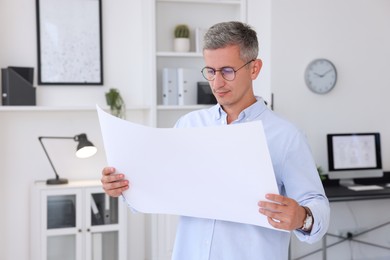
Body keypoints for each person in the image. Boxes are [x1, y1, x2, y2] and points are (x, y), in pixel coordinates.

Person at [101, 21, 330, 259]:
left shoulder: (286, 136)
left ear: (254, 68)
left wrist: (303, 217)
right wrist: (124, 186)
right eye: (210, 71)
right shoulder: (188, 125)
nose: (217, 83)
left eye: (227, 71)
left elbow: (318, 207)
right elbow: (159, 192)